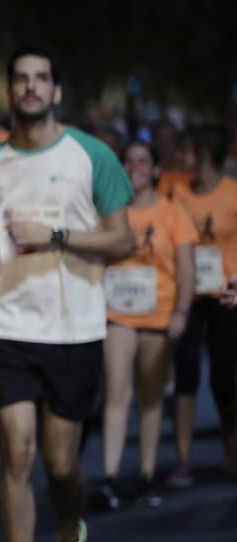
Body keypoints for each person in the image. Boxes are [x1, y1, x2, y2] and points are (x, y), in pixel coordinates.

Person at [0, 46, 134, 542]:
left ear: (57, 91)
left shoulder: (94, 156)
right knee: (17, 452)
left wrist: (57, 235)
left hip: (74, 327)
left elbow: (123, 241)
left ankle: (70, 535)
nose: (31, 88)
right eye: (21, 79)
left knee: (62, 466)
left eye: (41, 79)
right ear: (10, 90)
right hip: (7, 321)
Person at [92, 140, 197, 511]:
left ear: (155, 170)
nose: (134, 167)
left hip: (158, 314)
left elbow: (187, 268)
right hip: (117, 314)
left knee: (151, 398)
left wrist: (182, 311)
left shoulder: (173, 214)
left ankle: (147, 473)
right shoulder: (110, 211)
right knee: (117, 392)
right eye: (128, 161)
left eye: (142, 161)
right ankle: (109, 477)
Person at [168, 124, 237, 484]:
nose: (182, 158)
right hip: (189, 294)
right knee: (185, 375)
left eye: (188, 151)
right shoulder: (178, 194)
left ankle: (230, 444)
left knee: (224, 377)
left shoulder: (233, 193)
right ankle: (183, 458)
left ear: (205, 155)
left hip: (226, 294)